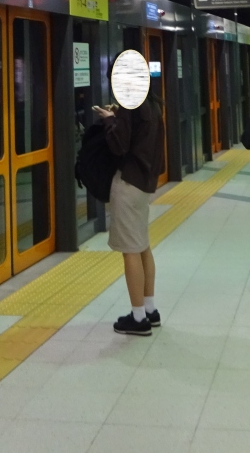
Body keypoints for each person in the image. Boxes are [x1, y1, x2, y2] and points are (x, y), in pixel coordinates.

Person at [100, 92, 165, 335]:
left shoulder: (131, 104)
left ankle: (138, 318)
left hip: (129, 182)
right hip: (144, 182)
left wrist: (109, 120)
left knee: (130, 250)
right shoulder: (152, 104)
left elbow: (120, 145)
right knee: (142, 245)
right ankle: (150, 309)